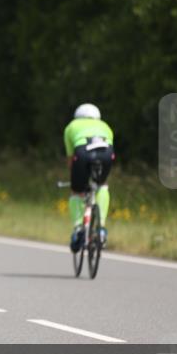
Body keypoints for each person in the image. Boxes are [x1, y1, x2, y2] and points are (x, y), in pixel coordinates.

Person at [64, 103, 115, 251]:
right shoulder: (105, 126)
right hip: (106, 153)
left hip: (82, 152)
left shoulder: (71, 126)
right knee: (102, 185)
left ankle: (79, 228)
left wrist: (75, 181)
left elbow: (70, 158)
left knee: (77, 191)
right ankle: (101, 229)